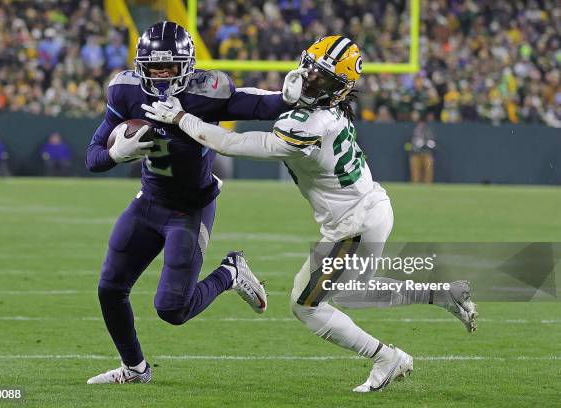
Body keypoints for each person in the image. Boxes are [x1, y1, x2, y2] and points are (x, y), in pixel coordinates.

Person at [147, 35, 478, 392]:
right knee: (355, 291)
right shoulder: (322, 110)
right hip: (369, 209)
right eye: (311, 71)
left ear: (338, 89)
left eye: (323, 79)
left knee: (305, 304)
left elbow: (231, 143)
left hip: (354, 224)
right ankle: (442, 294)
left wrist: (181, 118)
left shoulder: (309, 124)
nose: (311, 80)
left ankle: (386, 357)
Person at [85, 21, 304, 384]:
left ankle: (230, 273)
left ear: (187, 65)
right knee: (109, 288)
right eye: (154, 67)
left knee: (172, 310)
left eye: (169, 67)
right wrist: (116, 153)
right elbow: (93, 157)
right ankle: (135, 369)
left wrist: (290, 97)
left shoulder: (207, 92)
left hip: (190, 209)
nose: (161, 75)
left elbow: (261, 105)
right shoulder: (124, 91)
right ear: (140, 65)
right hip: (149, 201)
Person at [409, 112, 436, 183]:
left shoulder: (428, 131)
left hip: (426, 153)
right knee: (415, 172)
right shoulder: (414, 130)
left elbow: (432, 142)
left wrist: (427, 143)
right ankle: (415, 185)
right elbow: (410, 142)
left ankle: (427, 186)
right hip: (415, 153)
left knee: (428, 170)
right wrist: (415, 144)